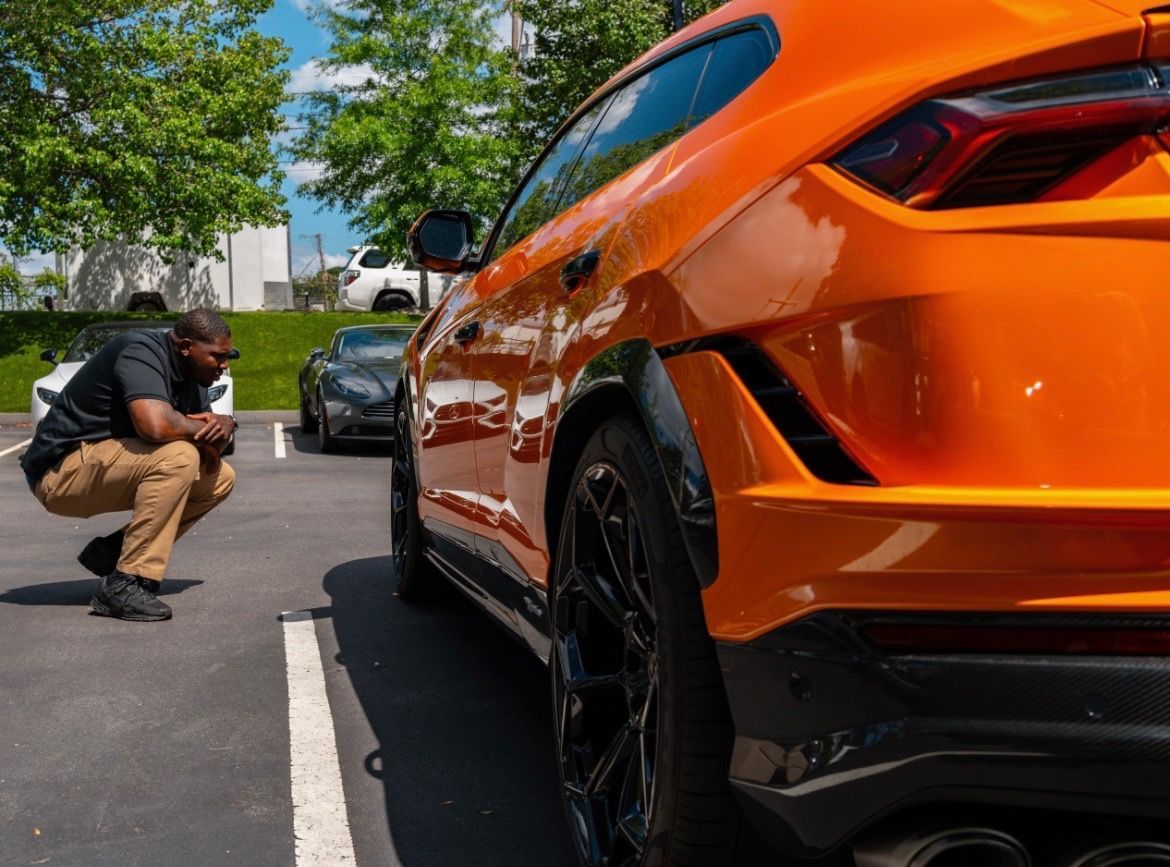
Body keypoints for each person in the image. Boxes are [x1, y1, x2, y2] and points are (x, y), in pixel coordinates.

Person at [19, 309, 237, 622]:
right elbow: (155, 426)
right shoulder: (139, 351)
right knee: (178, 457)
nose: (224, 364)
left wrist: (223, 427)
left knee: (220, 479)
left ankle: (114, 552)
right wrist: (212, 427)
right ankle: (123, 585)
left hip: (100, 468)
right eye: (217, 356)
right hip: (58, 472)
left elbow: (208, 448)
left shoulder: (194, 380)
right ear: (187, 346)